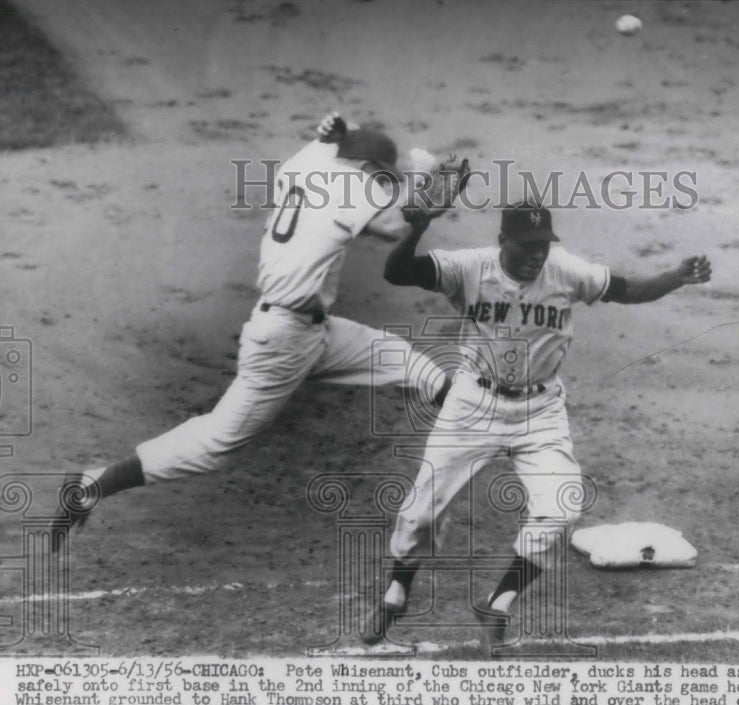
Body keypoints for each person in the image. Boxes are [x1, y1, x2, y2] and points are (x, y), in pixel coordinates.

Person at [51, 113, 449, 547]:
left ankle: (475, 416)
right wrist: (423, 174)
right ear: (368, 169)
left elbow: (338, 142)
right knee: (216, 442)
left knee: (400, 358)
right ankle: (92, 484)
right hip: (285, 342)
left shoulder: (304, 165)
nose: (383, 187)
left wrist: (337, 131)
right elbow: (392, 226)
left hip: (310, 331)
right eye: (382, 179)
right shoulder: (351, 187)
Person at [362, 202, 711, 646]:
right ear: (502, 241)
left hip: (540, 411)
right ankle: (395, 594)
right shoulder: (469, 267)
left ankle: (498, 603)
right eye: (526, 247)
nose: (536, 255)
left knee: (561, 509)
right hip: (472, 404)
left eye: (543, 246)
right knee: (422, 509)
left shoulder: (566, 271)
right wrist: (419, 227)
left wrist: (677, 276)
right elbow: (397, 272)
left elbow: (627, 290)